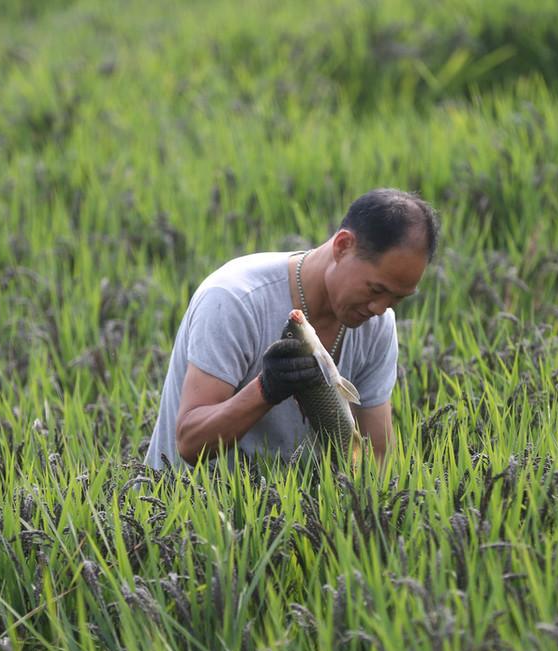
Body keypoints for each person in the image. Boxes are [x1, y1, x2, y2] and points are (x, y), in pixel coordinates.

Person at [144, 188, 439, 469]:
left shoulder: (377, 323)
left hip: (283, 513)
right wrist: (266, 389)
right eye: (376, 289)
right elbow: (189, 442)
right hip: (189, 506)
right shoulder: (235, 299)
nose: (380, 308)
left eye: (397, 298)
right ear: (343, 246)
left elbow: (376, 457)